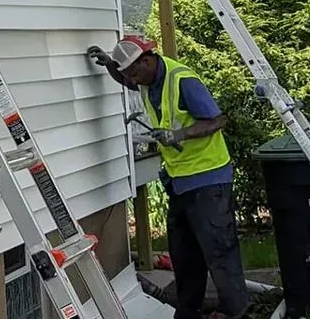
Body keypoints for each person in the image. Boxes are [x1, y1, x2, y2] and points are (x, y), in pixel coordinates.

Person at [102, 36, 250, 319]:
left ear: (147, 60)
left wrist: (179, 134)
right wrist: (110, 66)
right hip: (180, 181)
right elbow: (128, 80)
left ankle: (236, 312)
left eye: (133, 73)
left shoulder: (183, 80)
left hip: (208, 180)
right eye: (127, 75)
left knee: (219, 252)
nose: (133, 81)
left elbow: (217, 120)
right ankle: (188, 312)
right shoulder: (147, 79)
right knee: (185, 256)